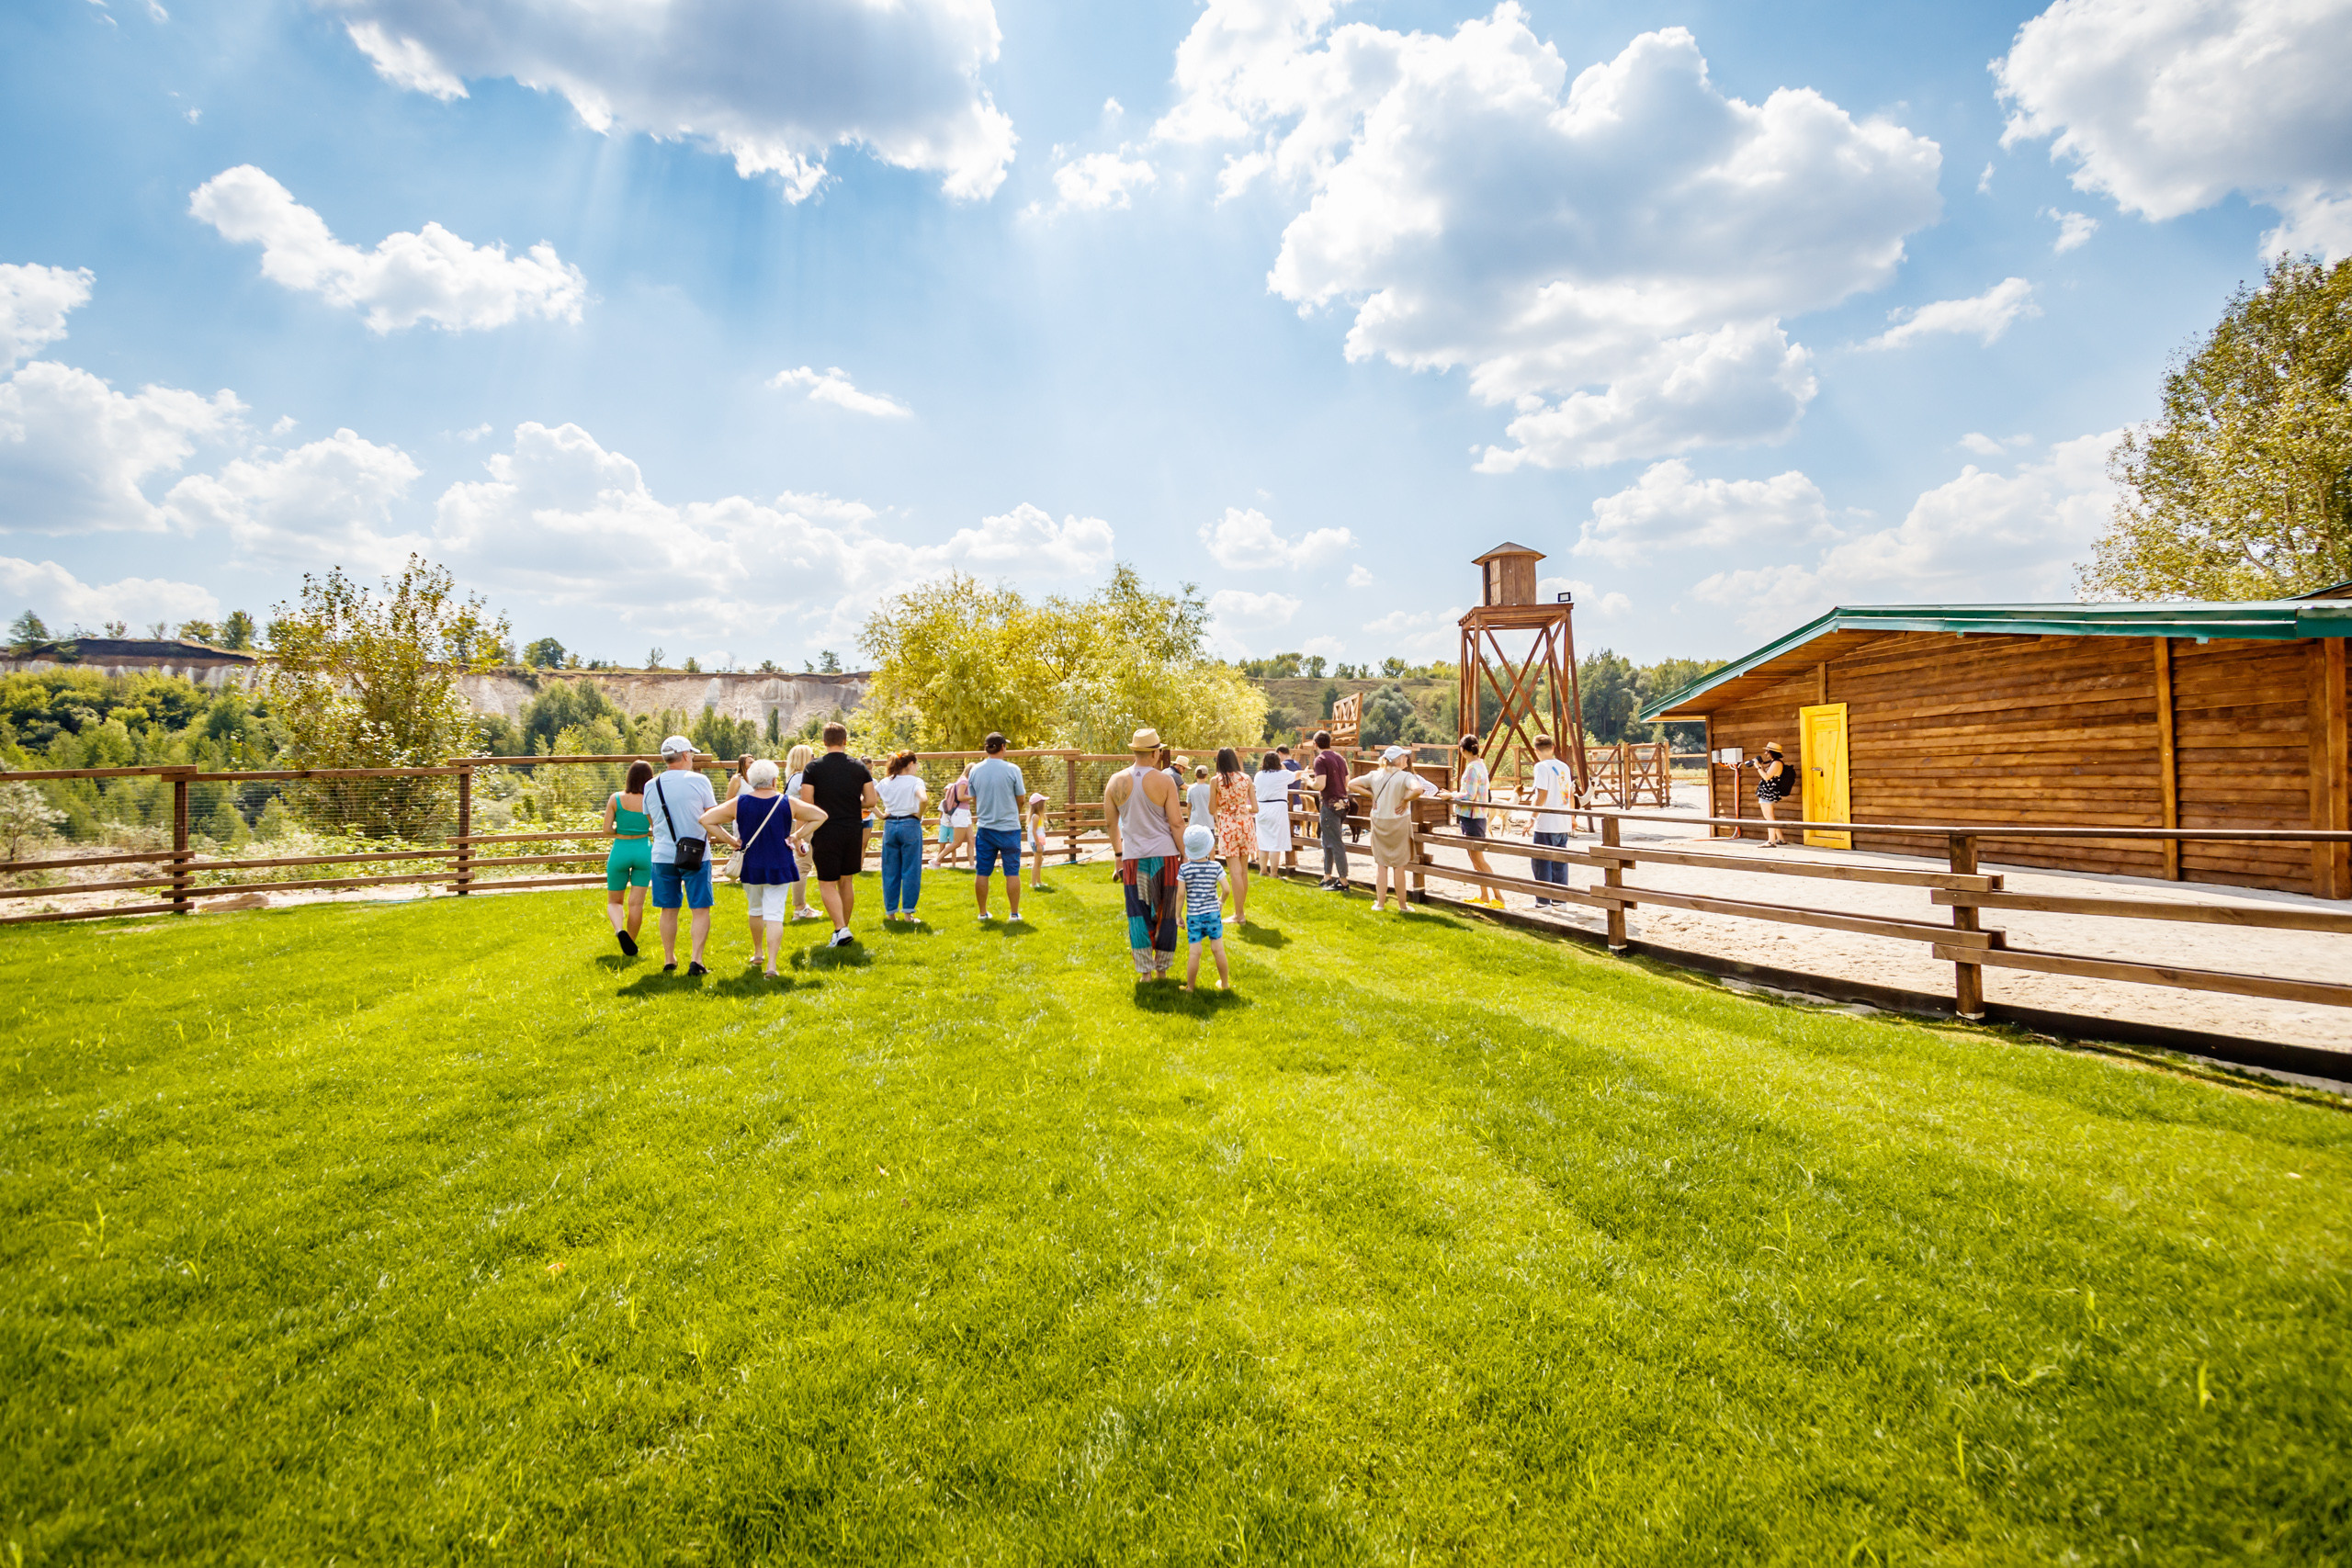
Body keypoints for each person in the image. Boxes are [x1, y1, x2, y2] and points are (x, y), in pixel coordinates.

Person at [699, 759, 823, 977]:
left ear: (751, 780)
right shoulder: (787, 802)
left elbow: (706, 819)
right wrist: (796, 836)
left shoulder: (740, 802)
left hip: (751, 864)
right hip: (780, 864)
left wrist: (731, 840)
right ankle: (772, 966)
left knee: (755, 910)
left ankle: (758, 953)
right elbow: (820, 816)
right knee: (774, 914)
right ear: (775, 780)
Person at [1103, 726, 1187, 980]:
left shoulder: (1116, 782)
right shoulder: (1165, 781)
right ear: (1156, 753)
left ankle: (1144, 973)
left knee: (1138, 914)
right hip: (1166, 857)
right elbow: (1176, 823)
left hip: (1133, 858)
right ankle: (1161, 970)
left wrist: (1118, 853)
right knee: (1167, 912)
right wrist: (1185, 854)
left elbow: (1110, 823)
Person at [797, 722, 878, 947]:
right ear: (845, 740)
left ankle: (841, 928)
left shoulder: (813, 768)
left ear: (824, 742)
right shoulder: (859, 767)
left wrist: (799, 835)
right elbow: (871, 800)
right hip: (853, 829)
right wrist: (855, 802)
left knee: (826, 883)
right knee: (846, 881)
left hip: (825, 830)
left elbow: (806, 804)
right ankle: (843, 929)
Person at [643, 736, 718, 974]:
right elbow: (711, 816)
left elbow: (651, 820)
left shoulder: (650, 785)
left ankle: (669, 959)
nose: (693, 758)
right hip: (696, 853)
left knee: (668, 909)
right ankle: (696, 960)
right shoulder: (699, 780)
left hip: (662, 854)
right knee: (700, 908)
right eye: (692, 754)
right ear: (685, 755)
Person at [1354, 744, 1430, 913]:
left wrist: (1371, 795)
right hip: (1398, 823)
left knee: (1381, 865)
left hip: (1379, 822)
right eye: (1404, 757)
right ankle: (1402, 906)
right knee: (1399, 865)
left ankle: (1380, 904)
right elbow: (1418, 789)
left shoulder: (1375, 775)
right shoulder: (1405, 776)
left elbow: (1352, 784)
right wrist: (1405, 800)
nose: (1407, 759)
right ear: (1397, 760)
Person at [967, 731, 1027, 922]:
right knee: (1012, 871)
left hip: (985, 828)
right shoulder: (1013, 770)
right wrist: (1014, 812)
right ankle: (1014, 914)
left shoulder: (975, 770)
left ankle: (983, 913)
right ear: (1002, 747)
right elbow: (1021, 799)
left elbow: (974, 798)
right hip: (1009, 828)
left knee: (982, 871)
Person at [601, 760, 654, 954]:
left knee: (615, 901)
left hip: (620, 850)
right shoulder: (649, 799)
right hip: (643, 851)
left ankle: (619, 930)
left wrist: (621, 831)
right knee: (636, 904)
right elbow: (656, 827)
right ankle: (630, 942)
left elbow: (606, 830)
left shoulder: (615, 799)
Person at [1448, 734, 1502, 907]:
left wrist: (1451, 795)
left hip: (1473, 817)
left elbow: (1469, 795)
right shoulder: (1480, 765)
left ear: (1463, 750)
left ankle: (1498, 896)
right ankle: (1484, 895)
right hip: (1475, 816)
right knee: (1474, 858)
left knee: (1478, 859)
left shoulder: (1472, 768)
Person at [876, 750, 928, 919]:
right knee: (911, 869)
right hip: (910, 824)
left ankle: (891, 913)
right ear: (911, 764)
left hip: (890, 825)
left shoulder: (885, 782)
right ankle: (908, 914)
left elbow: (867, 800)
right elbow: (924, 799)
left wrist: (880, 815)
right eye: (917, 764)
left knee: (890, 870)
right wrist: (919, 815)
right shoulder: (915, 782)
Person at [1177, 824, 1230, 993]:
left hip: (1194, 916)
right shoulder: (1216, 867)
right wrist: (1220, 902)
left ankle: (1190, 987)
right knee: (1218, 949)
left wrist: (1177, 915)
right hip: (1213, 914)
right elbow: (1227, 889)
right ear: (1208, 847)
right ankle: (1225, 984)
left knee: (1195, 953)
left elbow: (1180, 895)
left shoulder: (1184, 869)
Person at [1529, 734, 1576, 908]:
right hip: (1563, 821)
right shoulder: (1564, 767)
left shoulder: (1541, 767)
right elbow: (1570, 795)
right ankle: (1560, 899)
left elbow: (1542, 794)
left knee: (1541, 862)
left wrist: (1532, 818)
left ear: (1536, 750)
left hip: (1546, 822)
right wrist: (1572, 817)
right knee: (1560, 862)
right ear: (1553, 747)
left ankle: (1543, 901)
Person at [1210, 746, 1254, 926]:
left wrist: (1225, 807)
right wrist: (1241, 808)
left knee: (1235, 873)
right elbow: (1256, 808)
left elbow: (1211, 809)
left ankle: (1239, 915)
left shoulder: (1216, 781)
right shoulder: (1247, 778)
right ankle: (1240, 913)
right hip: (1245, 824)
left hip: (1228, 825)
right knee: (1243, 872)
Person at [1306, 731, 1351, 890]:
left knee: (1336, 842)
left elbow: (1320, 785)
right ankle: (1327, 877)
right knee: (1327, 841)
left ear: (1315, 744)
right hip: (1343, 804)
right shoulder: (1340, 758)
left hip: (1329, 805)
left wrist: (1308, 781)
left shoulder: (1320, 760)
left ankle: (1343, 881)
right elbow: (1347, 782)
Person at [781, 743, 820, 920]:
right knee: (802, 866)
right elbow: (805, 807)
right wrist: (799, 838)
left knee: (802, 865)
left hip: (798, 825)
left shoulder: (794, 777)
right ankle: (800, 908)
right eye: (811, 756)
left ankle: (801, 907)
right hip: (802, 826)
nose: (814, 759)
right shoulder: (801, 778)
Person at [1250, 750, 1292, 877]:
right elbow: (1296, 775)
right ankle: (1274, 873)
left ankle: (1263, 871)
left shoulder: (1258, 775)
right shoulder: (1282, 774)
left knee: (1263, 843)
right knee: (1276, 843)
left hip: (1262, 808)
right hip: (1277, 809)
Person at [1748, 741, 1792, 847]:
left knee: (1769, 817)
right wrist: (1760, 766)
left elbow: (1766, 777)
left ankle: (1771, 841)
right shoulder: (1774, 762)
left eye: (1767, 751)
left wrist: (1758, 767)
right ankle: (1780, 839)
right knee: (1770, 816)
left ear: (1771, 752)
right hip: (1766, 792)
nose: (1766, 753)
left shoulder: (1776, 763)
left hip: (1768, 793)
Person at [936, 764, 975, 871]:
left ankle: (972, 866)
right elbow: (960, 797)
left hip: (965, 812)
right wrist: (974, 796)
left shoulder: (965, 781)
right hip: (960, 812)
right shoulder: (963, 781)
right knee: (957, 842)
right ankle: (936, 860)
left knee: (971, 839)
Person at [1024, 792, 1052, 889]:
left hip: (1039, 840)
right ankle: (1033, 883)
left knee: (1040, 860)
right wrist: (1038, 844)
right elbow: (1034, 831)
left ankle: (1039, 881)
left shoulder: (1038, 816)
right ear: (1039, 805)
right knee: (1037, 861)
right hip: (1036, 842)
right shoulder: (1035, 817)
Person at [1186, 763, 1212, 830]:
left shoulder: (1190, 789)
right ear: (1206, 776)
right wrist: (1217, 821)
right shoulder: (1210, 789)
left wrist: (1189, 820)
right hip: (1209, 822)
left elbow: (1189, 807)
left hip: (1194, 823)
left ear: (1195, 776)